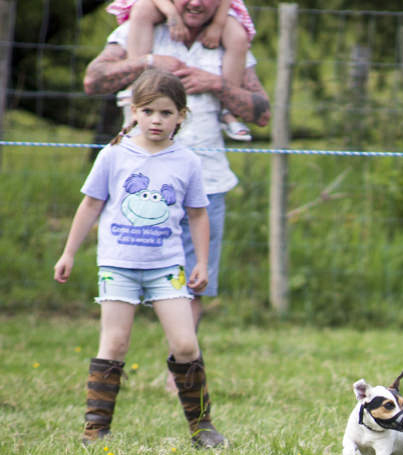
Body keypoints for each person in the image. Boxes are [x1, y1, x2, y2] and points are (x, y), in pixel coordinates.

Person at [84, 0, 270, 387]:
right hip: (139, 185)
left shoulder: (230, 38)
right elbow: (94, 80)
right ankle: (113, 357)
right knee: (127, 276)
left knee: (195, 280)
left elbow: (262, 112)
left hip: (206, 180)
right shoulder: (138, 29)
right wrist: (149, 62)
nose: (197, 3)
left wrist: (216, 84)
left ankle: (179, 373)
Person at [54, 69, 227, 448]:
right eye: (148, 111)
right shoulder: (114, 155)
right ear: (134, 112)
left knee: (185, 345)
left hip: (167, 267)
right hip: (118, 266)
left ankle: (203, 428)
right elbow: (90, 205)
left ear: (181, 116)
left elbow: (198, 213)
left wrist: (201, 262)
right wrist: (68, 253)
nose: (156, 120)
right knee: (114, 344)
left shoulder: (186, 162)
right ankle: (95, 431)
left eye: (166, 113)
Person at [107, 0, 256, 141]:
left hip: (218, 10)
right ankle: (138, 88)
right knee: (142, 9)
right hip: (164, 4)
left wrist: (218, 24)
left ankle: (227, 112)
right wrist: (171, 13)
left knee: (237, 36)